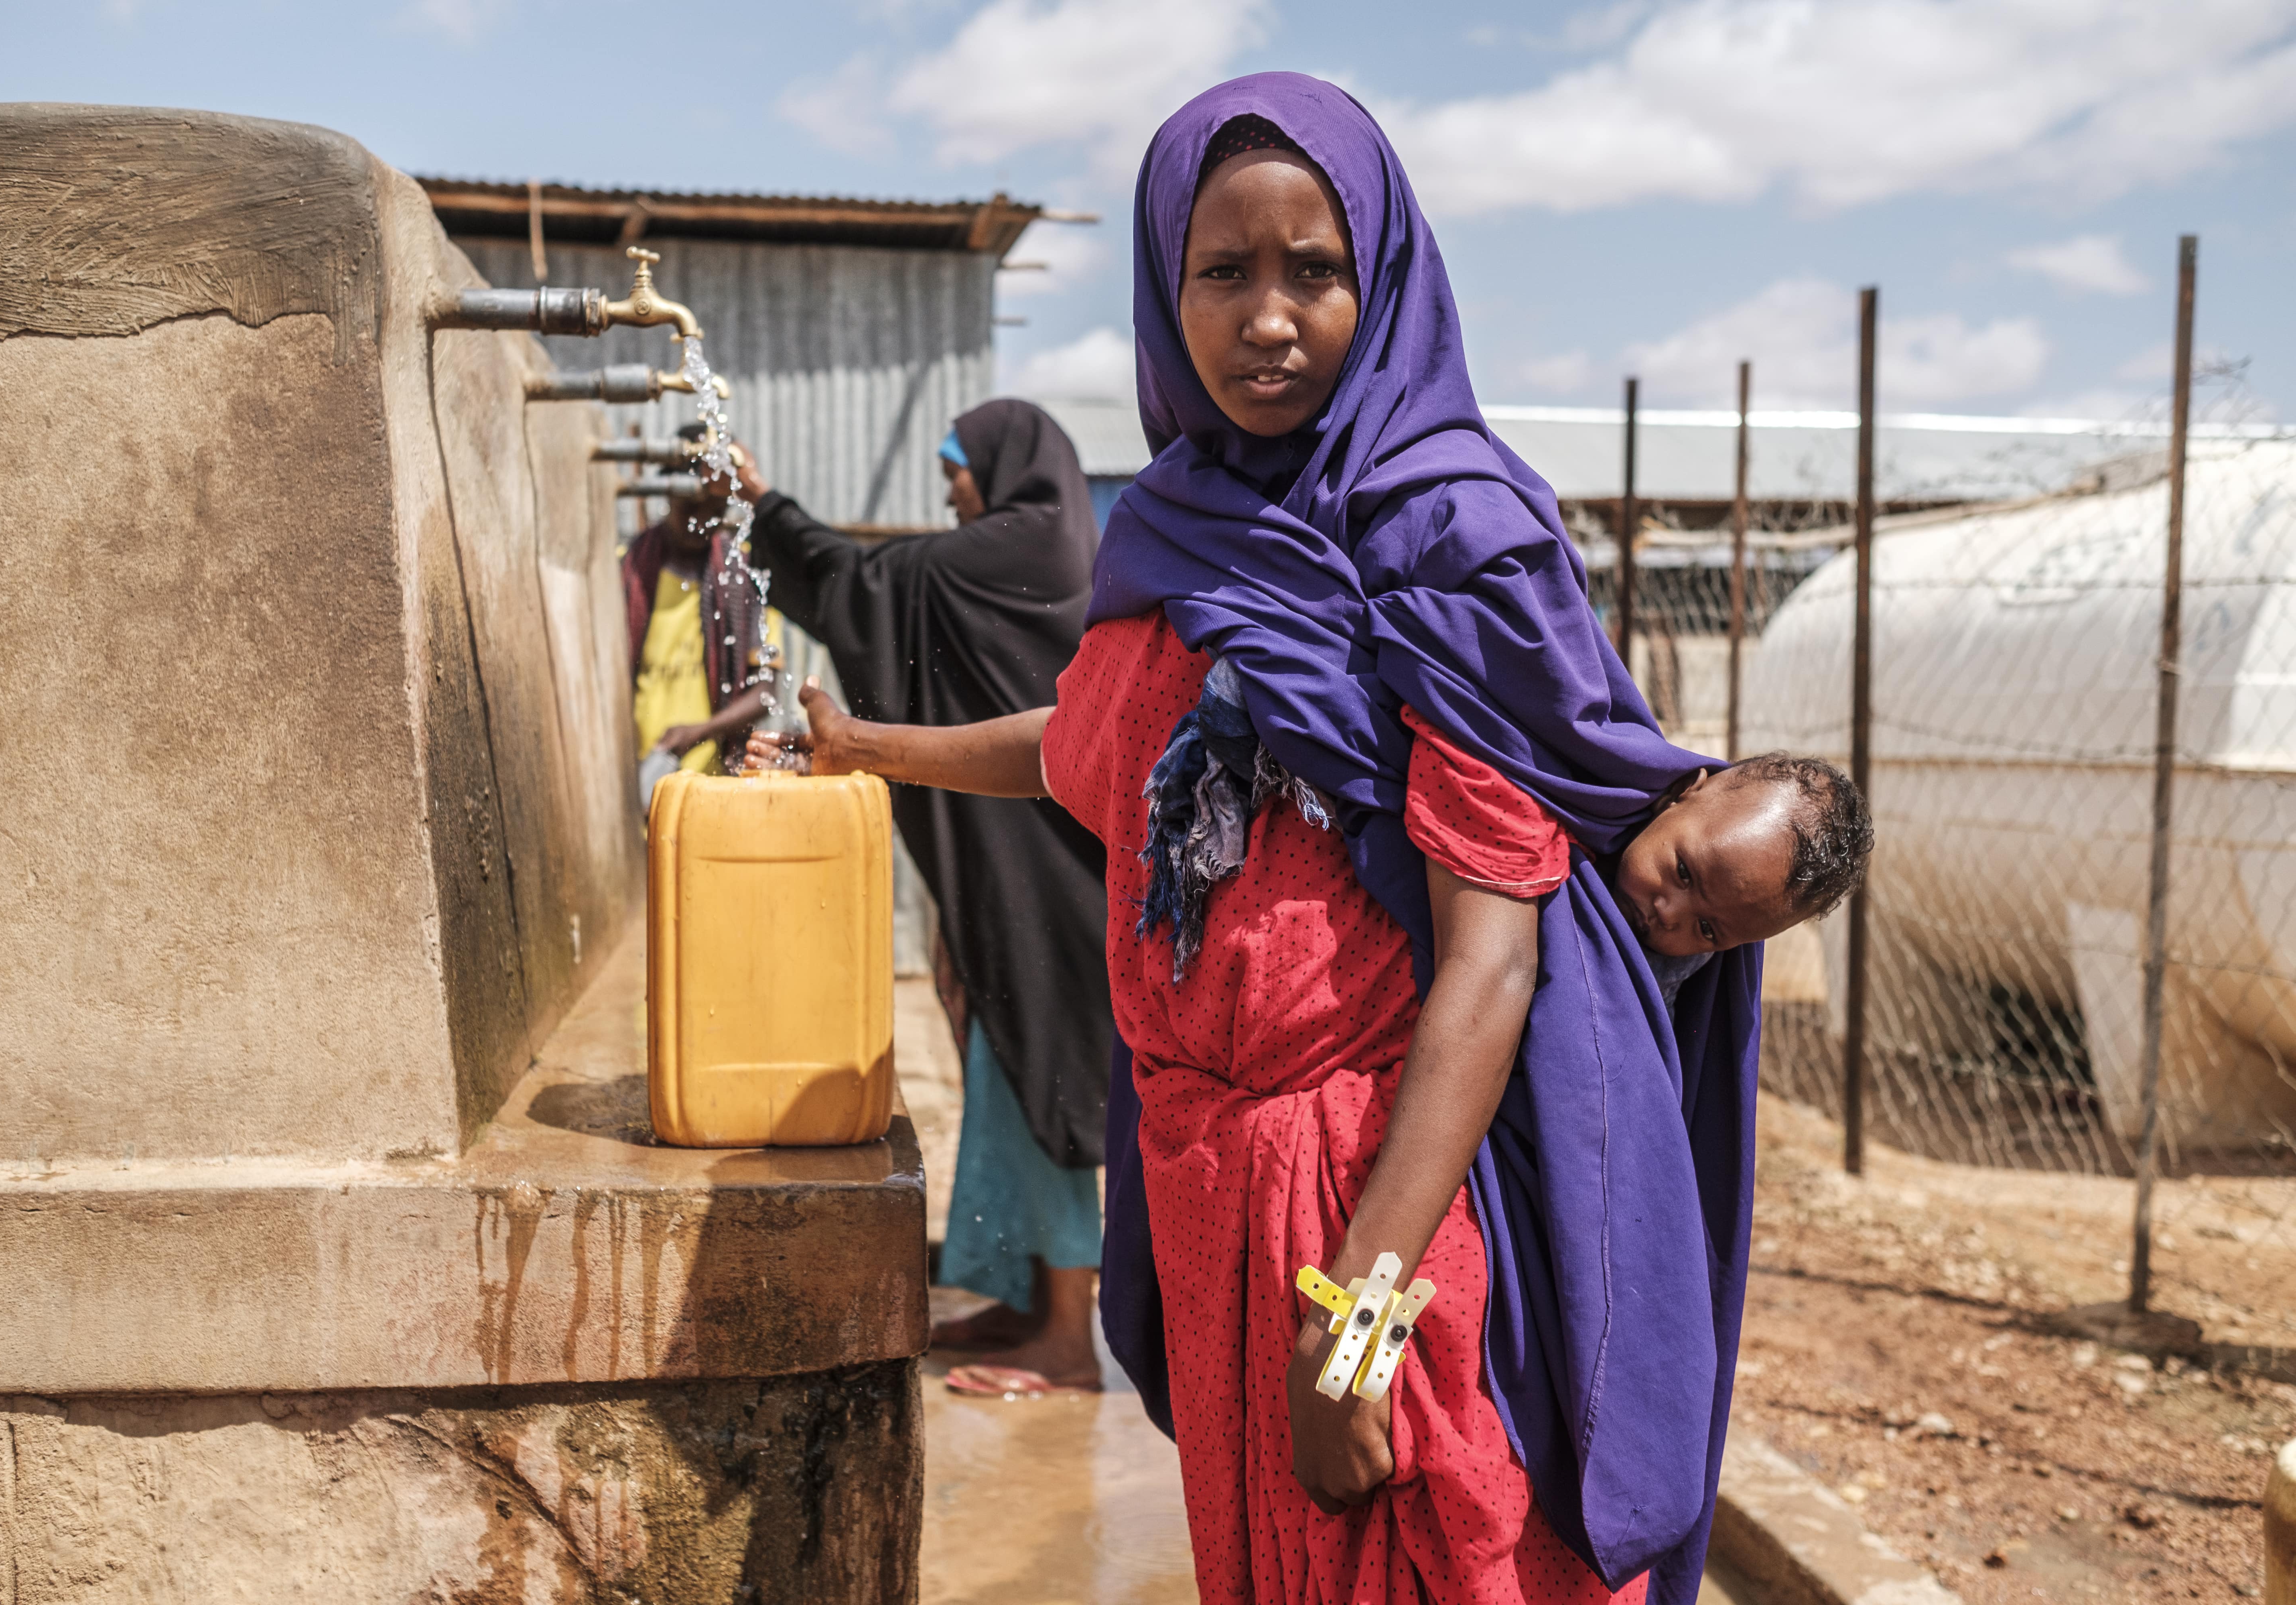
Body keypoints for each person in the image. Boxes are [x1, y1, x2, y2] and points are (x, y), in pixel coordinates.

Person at [750, 75, 1872, 1605]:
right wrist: (871, 746)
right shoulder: (1174, 534)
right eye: (1224, 273)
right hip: (1205, 1173)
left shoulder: (1456, 536)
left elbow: (1489, 962)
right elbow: (1091, 749)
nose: (1267, 318)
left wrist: (1355, 1320)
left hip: (1369, 1194)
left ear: (1384, 278)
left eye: (1314, 271)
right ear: (1166, 286)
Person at [734, 400, 1113, 1396]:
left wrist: (762, 503)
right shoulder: (1053, 549)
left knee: (1052, 1080)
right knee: (1004, 1068)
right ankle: (1028, 1302)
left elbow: (861, 584)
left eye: (958, 468)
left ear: (1005, 465)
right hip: (1026, 863)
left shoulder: (1009, 552)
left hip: (1051, 877)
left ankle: (1069, 1338)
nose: (948, 490)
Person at [622, 427, 778, 805]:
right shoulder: (628, 574)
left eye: (716, 511)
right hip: (636, 786)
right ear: (669, 492)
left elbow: (766, 693)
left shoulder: (747, 580)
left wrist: (700, 732)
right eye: (692, 507)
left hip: (717, 794)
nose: (702, 521)